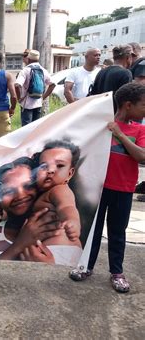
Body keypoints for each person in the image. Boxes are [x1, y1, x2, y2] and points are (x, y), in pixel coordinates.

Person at [69, 82, 145, 293]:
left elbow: (142, 156)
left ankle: (117, 272)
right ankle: (85, 266)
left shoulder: (139, 129)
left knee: (117, 232)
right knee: (92, 230)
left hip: (124, 189)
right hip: (97, 189)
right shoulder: (101, 125)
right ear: (128, 105)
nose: (144, 110)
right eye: (143, 106)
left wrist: (119, 134)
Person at [0, 157, 64, 262]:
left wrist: (48, 268)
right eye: (8, 191)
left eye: (28, 186)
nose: (20, 195)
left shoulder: (61, 226)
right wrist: (20, 244)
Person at [15, 50, 55, 127]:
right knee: (35, 128)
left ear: (29, 59)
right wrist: (43, 97)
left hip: (26, 104)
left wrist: (19, 98)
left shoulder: (25, 70)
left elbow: (17, 85)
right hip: (38, 103)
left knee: (26, 128)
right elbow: (53, 84)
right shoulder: (43, 70)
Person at [89, 44, 133, 112]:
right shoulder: (125, 73)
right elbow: (125, 100)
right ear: (128, 57)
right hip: (115, 116)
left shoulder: (102, 72)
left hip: (99, 114)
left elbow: (93, 94)